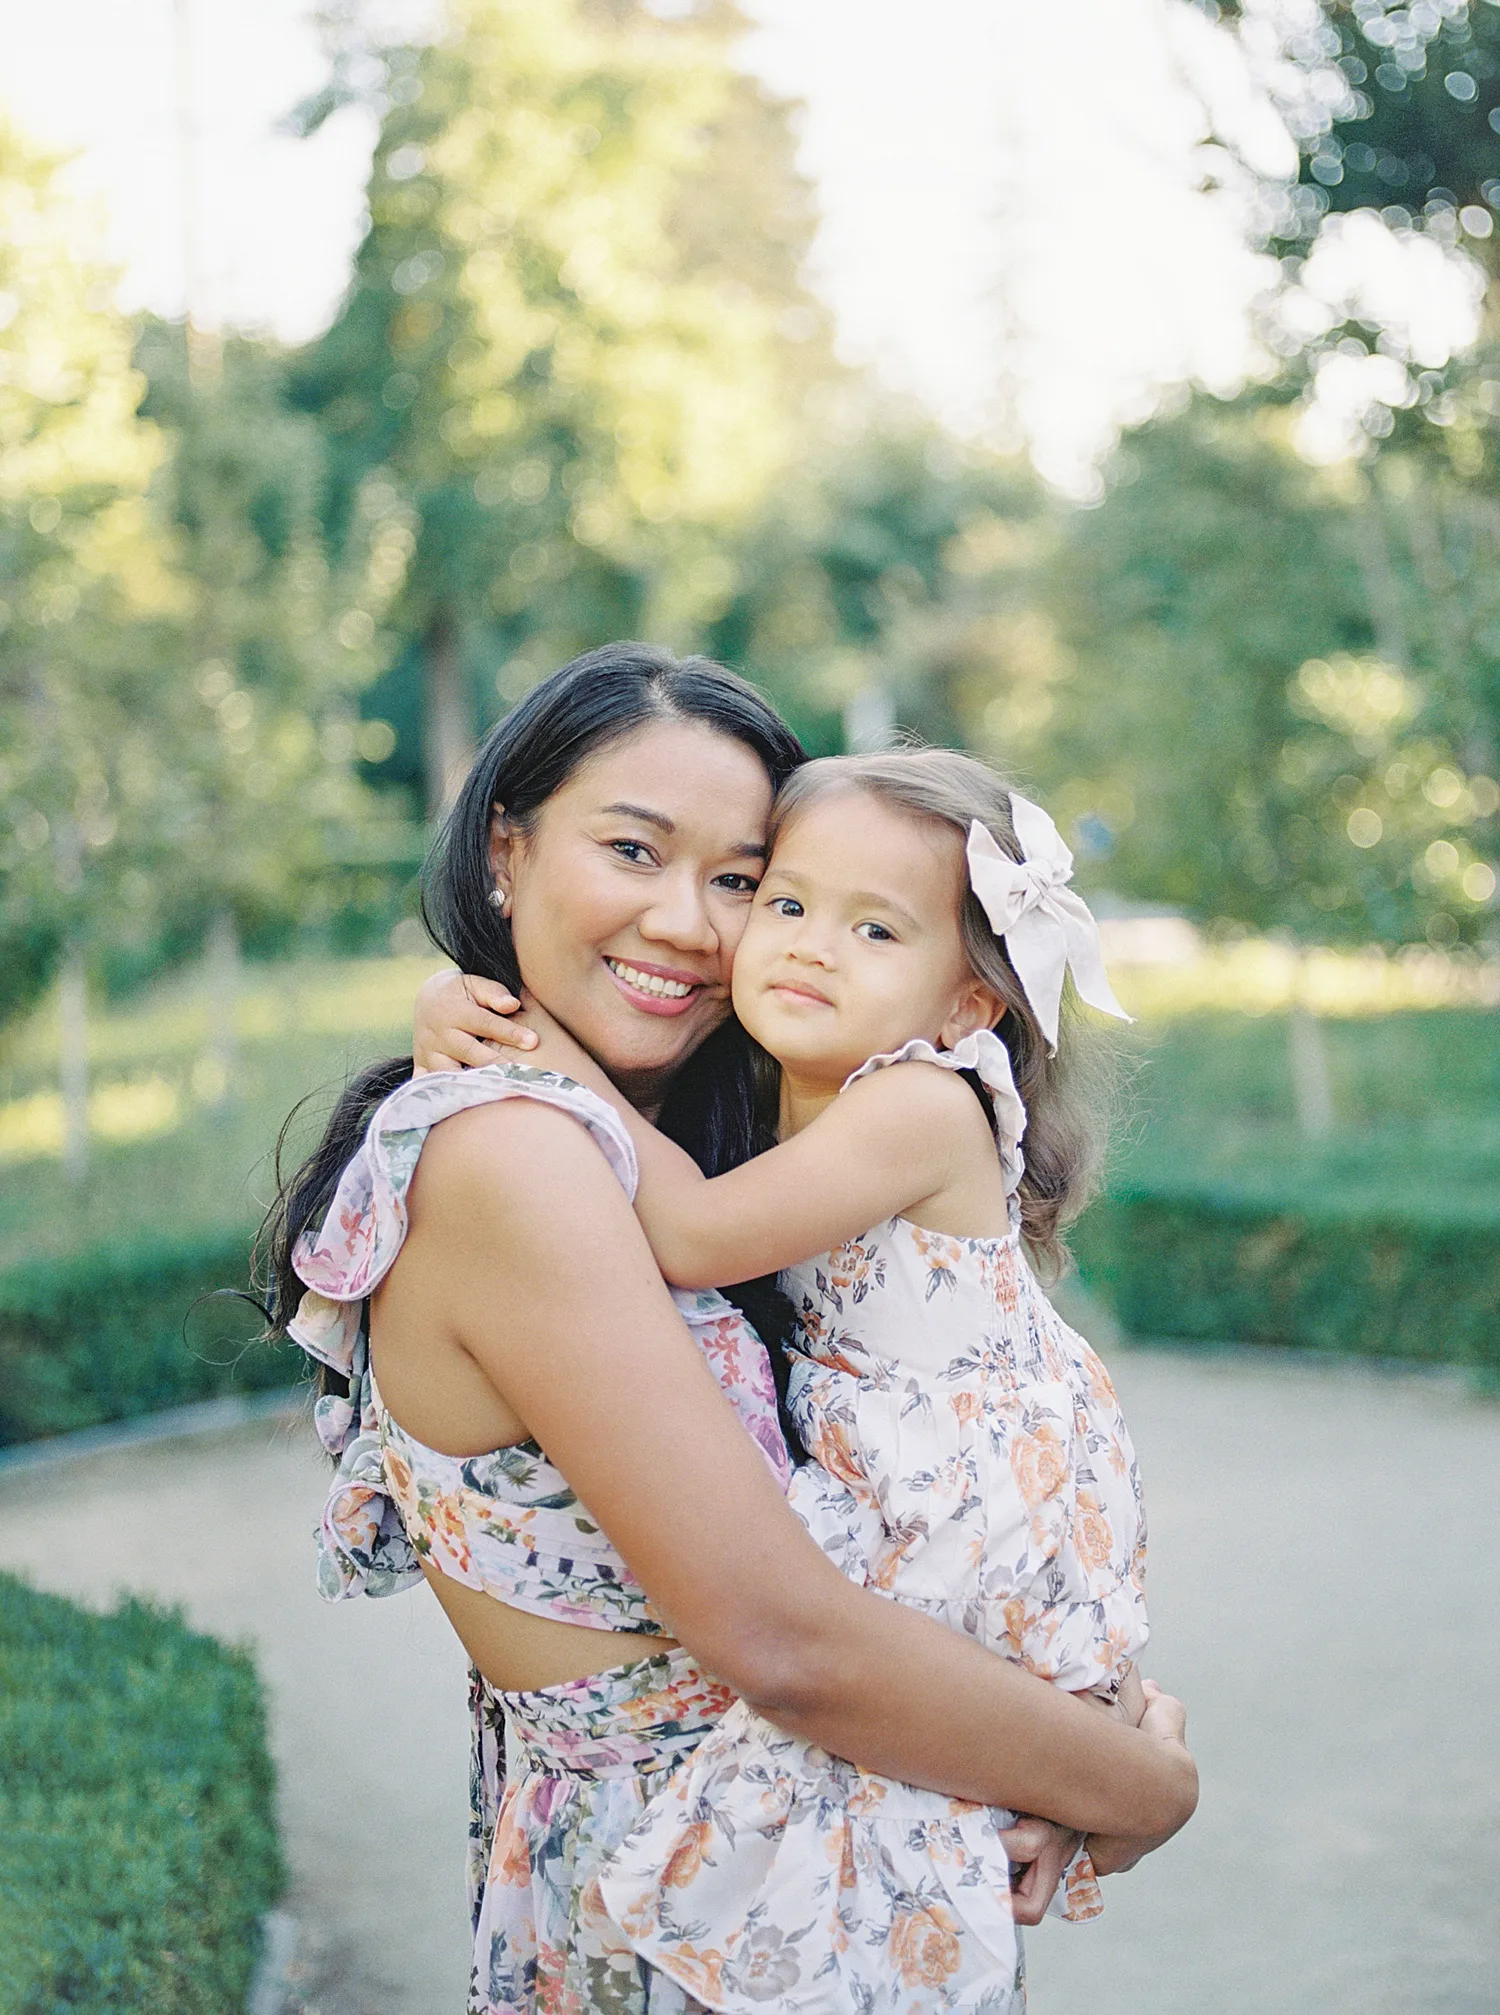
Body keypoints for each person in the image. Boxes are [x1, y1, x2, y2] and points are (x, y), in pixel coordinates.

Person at [266, 645, 1197, 2015]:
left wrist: (1068, 1721)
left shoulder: (703, 1147)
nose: (697, 925)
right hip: (699, 1900)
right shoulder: (512, 1158)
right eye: (634, 848)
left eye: (744, 878)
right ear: (504, 853)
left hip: (804, 1863)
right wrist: (1140, 1784)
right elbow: (787, 1641)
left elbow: (885, 1544)